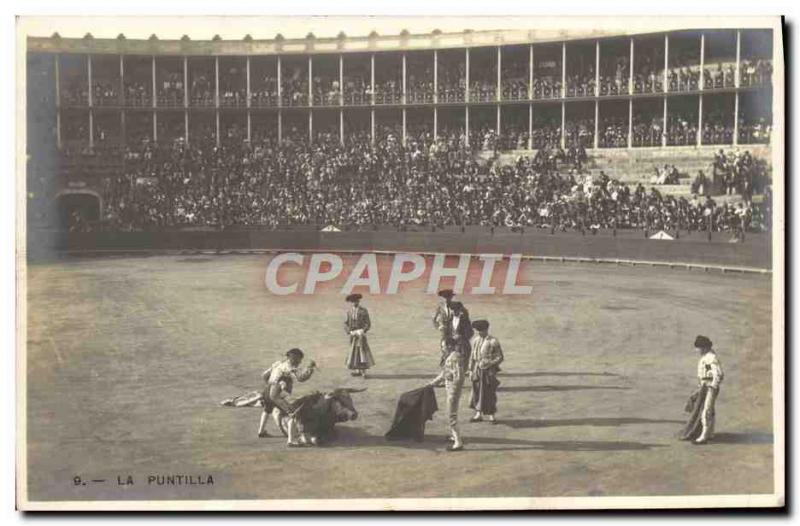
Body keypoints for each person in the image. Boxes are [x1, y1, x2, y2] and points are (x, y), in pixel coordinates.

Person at [257, 348, 317, 447]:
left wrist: (272, 384)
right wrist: (310, 368)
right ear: (293, 358)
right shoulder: (290, 367)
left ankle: (261, 431)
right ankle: (291, 441)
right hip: (275, 394)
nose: (300, 362)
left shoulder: (278, 363)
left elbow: (264, 376)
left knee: (267, 410)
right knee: (293, 414)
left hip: (267, 391)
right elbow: (301, 378)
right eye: (299, 360)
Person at [679, 335, 724, 444]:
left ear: (704, 347)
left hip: (709, 387)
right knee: (710, 410)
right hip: (706, 386)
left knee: (707, 411)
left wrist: (712, 386)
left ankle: (704, 436)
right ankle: (710, 433)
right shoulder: (707, 358)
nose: (697, 350)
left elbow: (718, 373)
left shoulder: (710, 358)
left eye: (698, 348)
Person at [427, 337, 466, 451]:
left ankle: (458, 443)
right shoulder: (451, 356)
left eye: (443, 346)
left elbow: (459, 377)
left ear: (449, 346)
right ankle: (455, 437)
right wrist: (432, 383)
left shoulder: (455, 357)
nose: (442, 348)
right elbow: (444, 374)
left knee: (451, 416)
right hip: (451, 389)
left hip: (453, 390)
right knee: (451, 414)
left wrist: (453, 391)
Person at [468, 319, 504, 424]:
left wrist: (489, 363)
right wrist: (471, 370)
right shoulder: (475, 340)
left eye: (481, 330)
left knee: (489, 393)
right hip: (477, 370)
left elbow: (500, 357)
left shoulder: (493, 341)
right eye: (478, 331)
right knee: (476, 391)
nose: (479, 332)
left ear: (486, 329)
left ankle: (492, 416)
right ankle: (478, 414)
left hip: (488, 371)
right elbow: (472, 357)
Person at [344, 293, 375, 378]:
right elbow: (345, 323)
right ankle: (357, 370)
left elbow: (368, 323)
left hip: (360, 335)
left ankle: (363, 372)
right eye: (353, 302)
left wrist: (362, 330)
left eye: (356, 301)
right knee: (354, 352)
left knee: (362, 352)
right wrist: (349, 332)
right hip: (353, 335)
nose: (354, 303)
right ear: (351, 302)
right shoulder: (349, 312)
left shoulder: (363, 311)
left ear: (358, 301)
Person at [432, 289, 456, 364]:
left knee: (453, 347)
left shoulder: (455, 306)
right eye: (445, 297)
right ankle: (445, 361)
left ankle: (450, 363)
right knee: (444, 346)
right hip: (444, 330)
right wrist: (438, 326)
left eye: (449, 297)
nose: (447, 299)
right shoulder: (440, 306)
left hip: (453, 330)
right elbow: (434, 318)